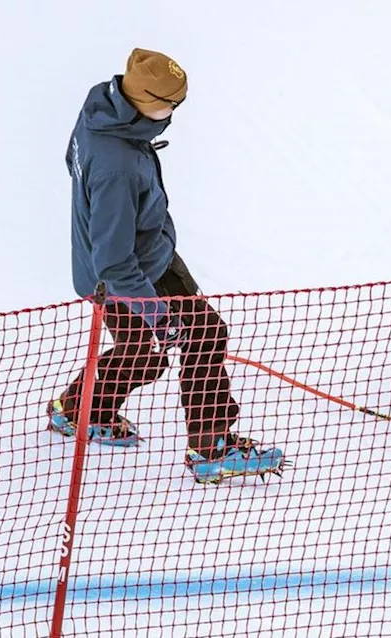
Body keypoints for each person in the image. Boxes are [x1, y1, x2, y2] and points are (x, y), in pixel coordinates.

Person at [50, 48, 286, 485]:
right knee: (200, 334)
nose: (174, 112)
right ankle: (212, 447)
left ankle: (79, 410)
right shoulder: (116, 166)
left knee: (143, 352)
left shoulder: (101, 109)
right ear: (144, 99)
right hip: (124, 278)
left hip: (144, 258)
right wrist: (158, 316)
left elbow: (73, 163)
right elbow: (114, 260)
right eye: (170, 104)